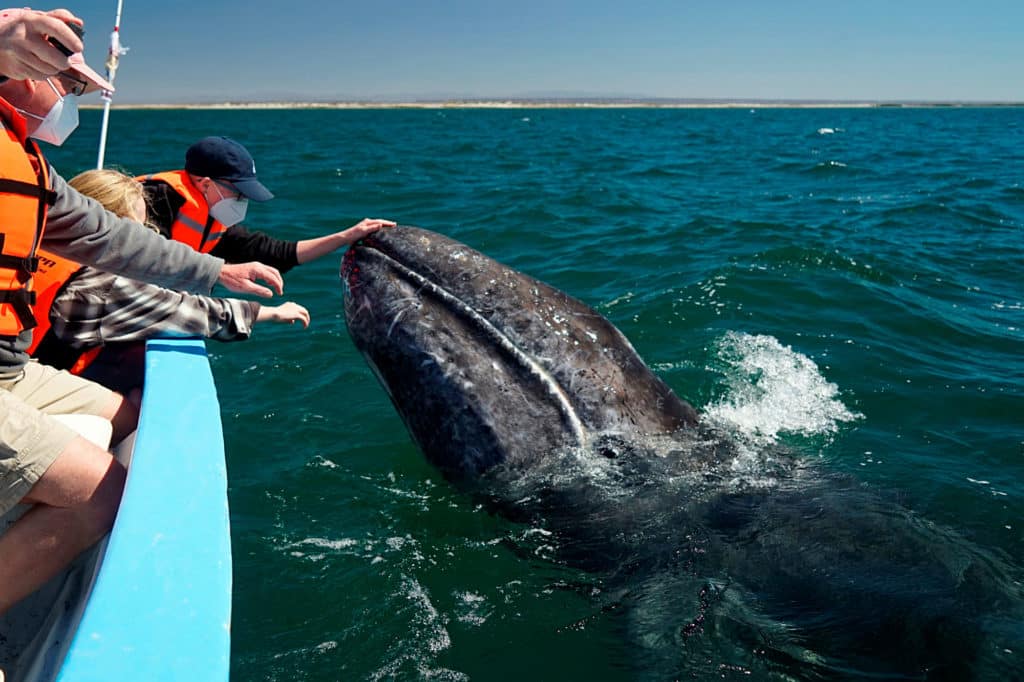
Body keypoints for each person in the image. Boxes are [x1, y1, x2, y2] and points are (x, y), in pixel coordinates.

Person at [0, 8, 283, 615]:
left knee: (129, 415)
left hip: (10, 368)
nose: (71, 101)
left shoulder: (29, 166)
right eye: (69, 85)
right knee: (101, 496)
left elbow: (114, 239)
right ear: (20, 74)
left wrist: (219, 271)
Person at [29, 168, 311, 396]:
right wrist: (270, 312)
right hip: (25, 387)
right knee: (130, 412)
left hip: (26, 360)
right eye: (135, 231)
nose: (143, 239)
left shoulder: (31, 245)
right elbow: (182, 311)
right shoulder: (101, 287)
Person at [139, 135, 395, 271]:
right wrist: (222, 273)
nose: (243, 201)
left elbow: (280, 253)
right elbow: (142, 257)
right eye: (238, 193)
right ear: (206, 184)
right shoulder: (155, 198)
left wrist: (345, 236)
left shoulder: (215, 224)